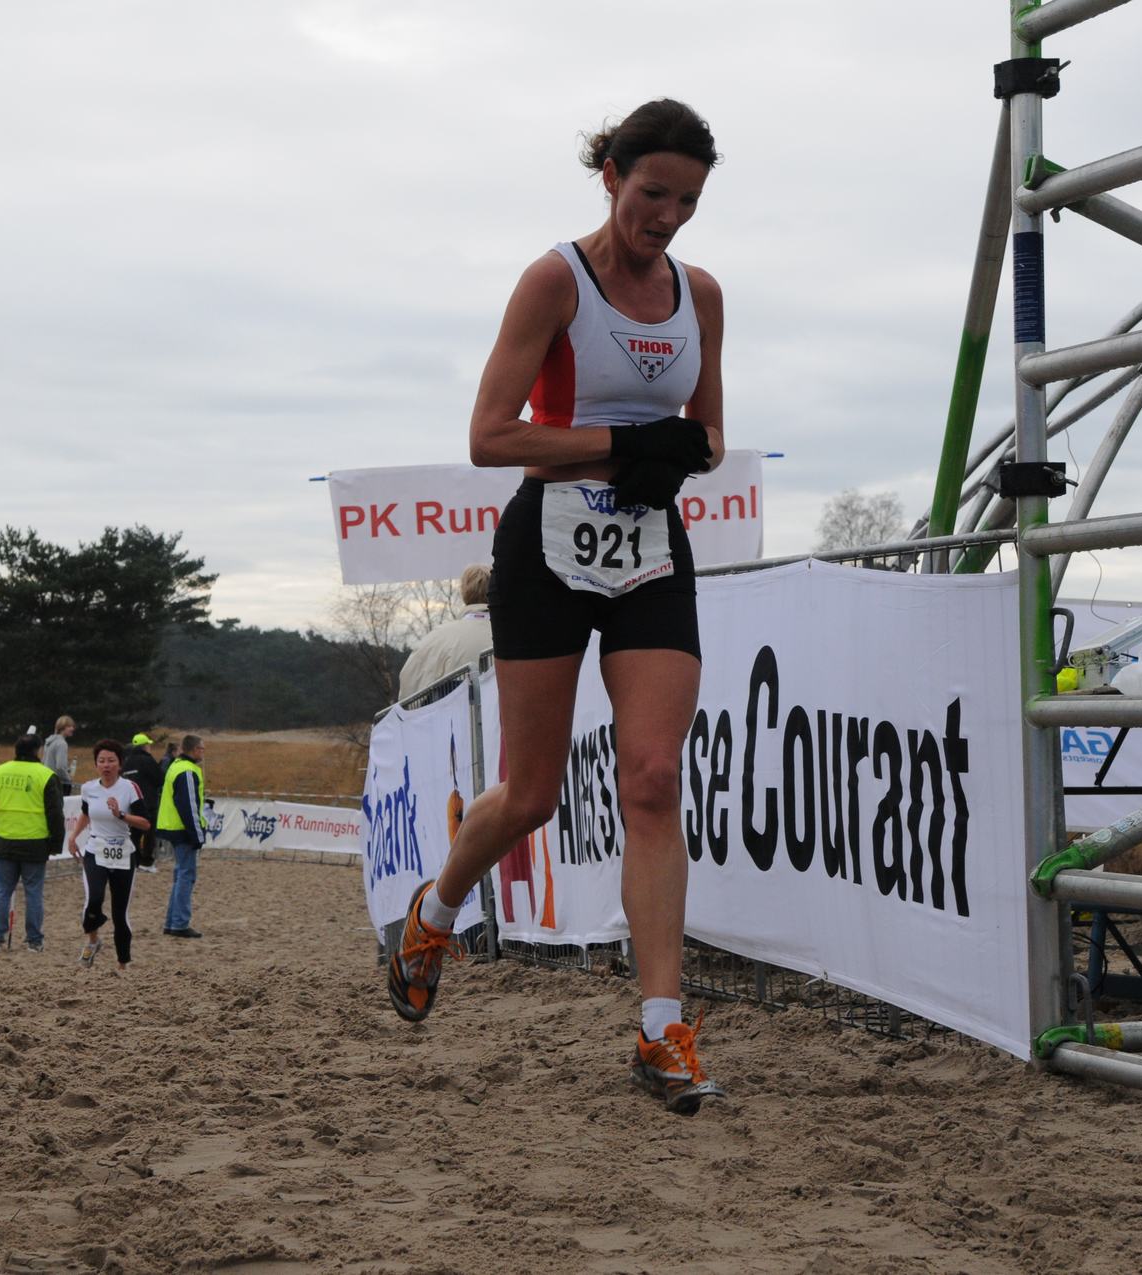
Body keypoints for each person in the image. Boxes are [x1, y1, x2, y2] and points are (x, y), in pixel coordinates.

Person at [385, 99, 726, 1113]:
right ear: (611, 175)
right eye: (652, 193)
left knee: (653, 778)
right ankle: (436, 910)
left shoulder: (701, 295)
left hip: (650, 548)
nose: (667, 217)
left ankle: (661, 1031)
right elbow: (491, 436)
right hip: (546, 545)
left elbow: (708, 433)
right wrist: (622, 444)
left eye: (688, 202)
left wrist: (681, 455)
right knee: (530, 794)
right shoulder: (556, 280)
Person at [65, 739, 151, 973]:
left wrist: (121, 815)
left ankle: (123, 964)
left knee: (119, 913)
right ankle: (93, 941)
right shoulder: (88, 789)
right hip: (96, 851)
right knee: (93, 900)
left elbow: (145, 823)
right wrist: (74, 836)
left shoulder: (129, 788)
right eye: (101, 761)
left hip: (123, 853)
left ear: (120, 764)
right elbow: (86, 813)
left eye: (111, 761)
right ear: (96, 765)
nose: (106, 765)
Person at [0, 733, 64, 951]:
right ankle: (34, 940)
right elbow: (55, 813)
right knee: (33, 892)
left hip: (5, 839)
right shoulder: (46, 775)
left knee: (3, 890)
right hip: (35, 842)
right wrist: (56, 843)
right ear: (38, 751)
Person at [398, 565, 495, 699]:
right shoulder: (519, 637)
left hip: (455, 712)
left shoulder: (435, 640)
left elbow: (409, 690)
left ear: (463, 592)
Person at [157, 734, 209, 937]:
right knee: (186, 876)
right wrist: (197, 835)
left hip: (174, 828)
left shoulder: (176, 766)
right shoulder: (188, 771)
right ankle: (179, 923)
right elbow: (189, 807)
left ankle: (172, 922)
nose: (203, 752)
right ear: (194, 750)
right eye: (202, 748)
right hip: (182, 831)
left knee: (180, 875)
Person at [121, 732, 166, 870]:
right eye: (148, 745)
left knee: (134, 833)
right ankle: (146, 862)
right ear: (145, 746)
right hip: (148, 802)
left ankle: (134, 860)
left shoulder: (127, 762)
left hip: (131, 802)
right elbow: (160, 779)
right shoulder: (147, 760)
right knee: (149, 833)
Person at [41, 715, 76, 793]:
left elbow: (43, 761)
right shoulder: (61, 744)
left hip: (46, 780)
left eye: (72, 726)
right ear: (62, 728)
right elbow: (60, 767)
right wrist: (68, 779)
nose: (72, 729)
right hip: (58, 784)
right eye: (69, 726)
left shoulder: (49, 742)